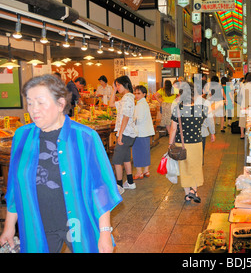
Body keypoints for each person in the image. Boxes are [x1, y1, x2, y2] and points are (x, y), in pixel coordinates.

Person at [0, 74, 122, 253]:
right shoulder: (22, 136)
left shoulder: (85, 137)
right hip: (36, 224)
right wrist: (9, 226)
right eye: (30, 103)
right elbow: (14, 187)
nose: (34, 110)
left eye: (41, 102)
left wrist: (104, 233)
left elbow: (100, 187)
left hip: (78, 222)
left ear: (60, 104)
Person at [168, 82, 208, 203]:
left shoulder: (177, 109)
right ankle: (194, 190)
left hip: (182, 144)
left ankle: (187, 195)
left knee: (184, 169)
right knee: (195, 167)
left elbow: (173, 129)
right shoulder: (201, 109)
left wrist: (170, 144)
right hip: (196, 142)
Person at [109, 75, 137, 194]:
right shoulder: (126, 98)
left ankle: (119, 185)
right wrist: (113, 91)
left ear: (124, 85)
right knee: (125, 158)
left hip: (125, 133)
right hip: (128, 133)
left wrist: (120, 134)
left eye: (118, 85)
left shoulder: (127, 98)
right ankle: (130, 182)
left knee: (116, 161)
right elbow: (110, 105)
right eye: (116, 86)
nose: (117, 87)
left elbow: (126, 116)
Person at [132, 85, 155, 180]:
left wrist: (131, 120)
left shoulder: (140, 105)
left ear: (144, 94)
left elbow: (139, 119)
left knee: (137, 152)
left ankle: (139, 172)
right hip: (145, 132)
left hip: (139, 132)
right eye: (135, 93)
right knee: (145, 152)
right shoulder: (144, 103)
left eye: (139, 93)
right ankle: (146, 171)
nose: (136, 95)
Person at [238, 73, 251, 139]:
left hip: (243, 104)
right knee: (249, 119)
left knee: (242, 119)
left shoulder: (243, 85)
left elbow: (240, 95)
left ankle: (242, 134)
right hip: (249, 104)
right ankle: (248, 133)